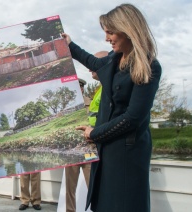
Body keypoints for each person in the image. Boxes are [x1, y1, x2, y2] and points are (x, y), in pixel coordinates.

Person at [63, 3, 162, 212]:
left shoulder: (149, 66)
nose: (107, 38)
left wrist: (95, 133)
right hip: (107, 150)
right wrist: (69, 45)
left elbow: (133, 117)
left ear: (127, 31)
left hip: (127, 154)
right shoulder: (113, 59)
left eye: (110, 32)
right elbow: (90, 60)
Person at [63, 53, 107, 212]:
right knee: (70, 187)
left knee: (93, 185)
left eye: (80, 86)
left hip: (89, 149)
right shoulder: (66, 108)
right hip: (72, 151)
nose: (78, 89)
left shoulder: (92, 102)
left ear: (82, 88)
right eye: (76, 86)